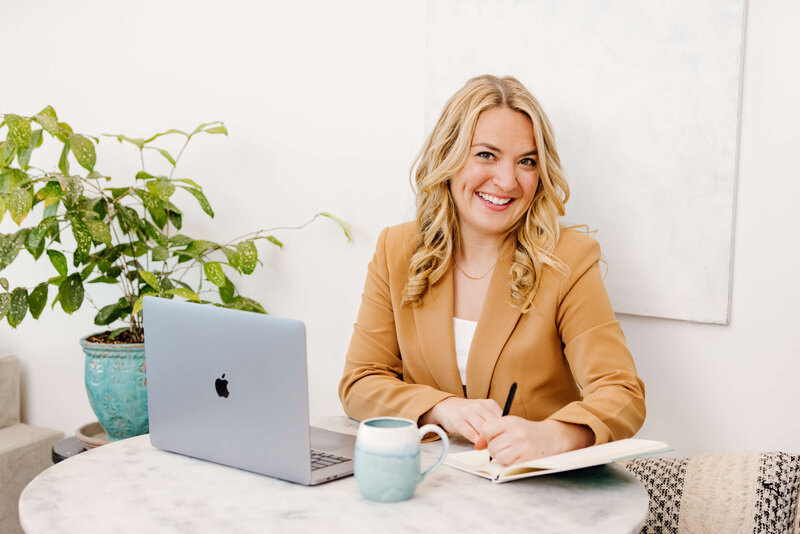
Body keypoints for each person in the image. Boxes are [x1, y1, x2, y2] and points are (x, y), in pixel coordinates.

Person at [338, 74, 645, 466]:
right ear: (447, 157)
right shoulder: (397, 249)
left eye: (526, 162)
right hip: (428, 488)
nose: (506, 180)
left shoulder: (569, 260)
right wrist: (441, 408)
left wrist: (550, 435)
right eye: (486, 154)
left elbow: (622, 393)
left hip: (530, 497)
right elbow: (360, 381)